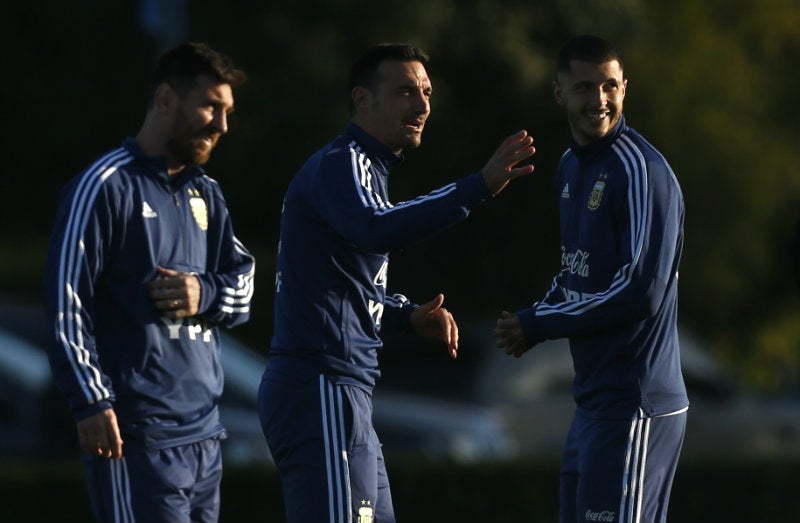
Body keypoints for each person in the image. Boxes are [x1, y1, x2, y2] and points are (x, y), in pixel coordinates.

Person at [258, 42, 535, 523]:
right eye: (406, 91)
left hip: (347, 390)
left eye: (426, 92)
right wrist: (477, 186)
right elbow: (377, 227)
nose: (423, 105)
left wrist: (406, 316)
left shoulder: (366, 172)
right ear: (363, 100)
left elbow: (342, 286)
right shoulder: (341, 162)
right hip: (320, 384)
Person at [43, 42, 255, 523]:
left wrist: (206, 292)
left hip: (204, 437)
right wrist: (91, 401)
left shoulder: (207, 193)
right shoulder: (102, 186)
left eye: (228, 111)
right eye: (210, 107)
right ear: (165, 99)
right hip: (137, 441)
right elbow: (64, 305)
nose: (222, 125)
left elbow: (245, 281)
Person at [494, 35, 688, 523]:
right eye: (584, 87)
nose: (598, 100)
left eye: (609, 86)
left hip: (636, 401)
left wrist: (540, 323)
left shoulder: (640, 170)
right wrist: (533, 319)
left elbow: (640, 291)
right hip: (593, 402)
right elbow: (576, 273)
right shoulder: (568, 167)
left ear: (625, 88)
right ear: (560, 93)